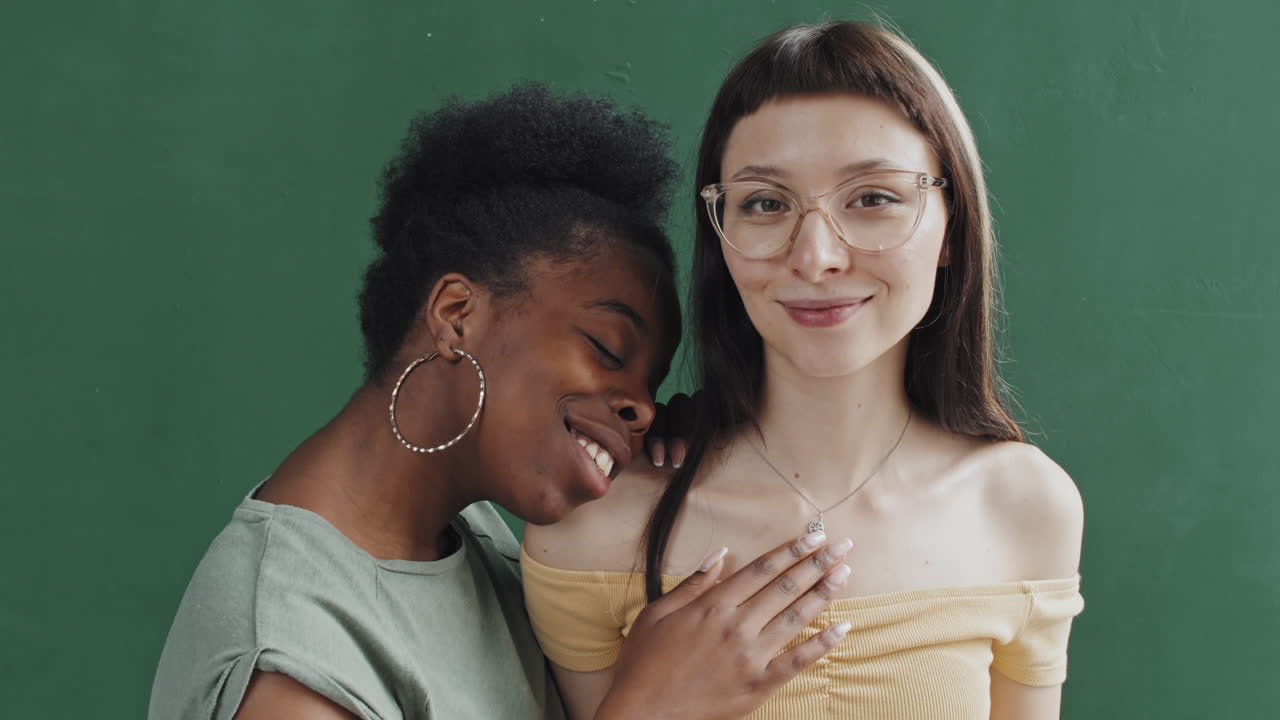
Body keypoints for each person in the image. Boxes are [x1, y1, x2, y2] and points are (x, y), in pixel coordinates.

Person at [148, 84, 855, 720]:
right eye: (610, 350)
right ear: (457, 313)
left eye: (651, 383)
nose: (641, 405)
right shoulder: (289, 666)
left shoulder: (463, 534)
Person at [523, 20, 1085, 720]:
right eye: (766, 203)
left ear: (952, 229)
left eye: (874, 198)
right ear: (721, 236)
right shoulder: (595, 525)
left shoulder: (1024, 508)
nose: (816, 256)